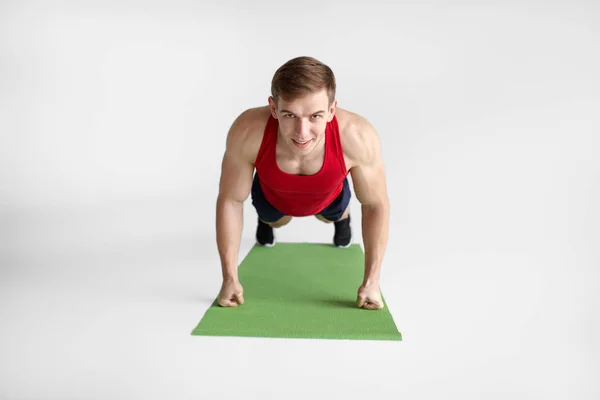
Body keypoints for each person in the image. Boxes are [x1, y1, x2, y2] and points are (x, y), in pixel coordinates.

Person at [215, 56, 389, 310]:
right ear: (273, 108)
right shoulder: (248, 130)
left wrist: (372, 281)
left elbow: (375, 204)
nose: (302, 132)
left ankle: (342, 218)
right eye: (289, 115)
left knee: (331, 215)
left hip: (329, 195)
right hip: (273, 196)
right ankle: (267, 221)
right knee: (276, 220)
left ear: (332, 110)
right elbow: (231, 199)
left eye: (315, 116)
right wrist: (229, 278)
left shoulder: (357, 135)